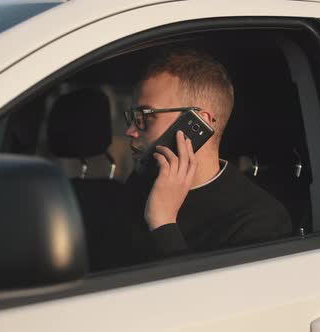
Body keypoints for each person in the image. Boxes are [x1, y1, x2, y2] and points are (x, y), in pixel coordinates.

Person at [122, 49, 292, 259]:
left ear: (197, 123)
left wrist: (163, 222)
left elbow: (200, 293)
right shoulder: (139, 184)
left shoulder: (258, 220)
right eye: (131, 116)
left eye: (144, 116)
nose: (130, 130)